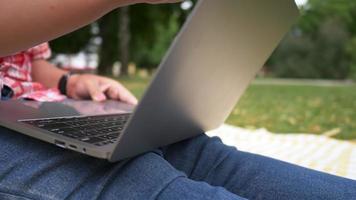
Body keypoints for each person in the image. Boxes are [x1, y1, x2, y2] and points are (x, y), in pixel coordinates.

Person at [0, 1, 355, 199]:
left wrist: (68, 80)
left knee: (207, 158)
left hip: (33, 105)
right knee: (146, 184)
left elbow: (24, 60)